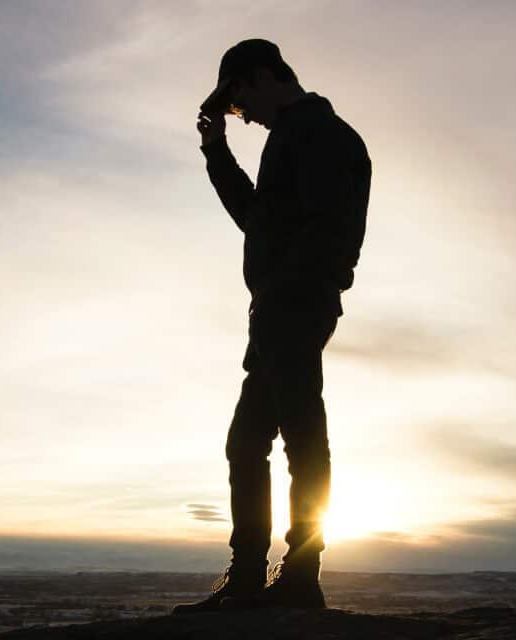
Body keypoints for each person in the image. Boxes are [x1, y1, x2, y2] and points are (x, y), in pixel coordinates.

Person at [172, 38, 371, 614]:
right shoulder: (292, 137)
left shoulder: (323, 135)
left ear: (262, 77)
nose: (243, 116)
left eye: (238, 103)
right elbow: (259, 222)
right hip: (280, 310)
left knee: (299, 435)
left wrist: (288, 292)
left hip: (296, 306)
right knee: (249, 442)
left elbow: (326, 232)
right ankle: (253, 577)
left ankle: (299, 575)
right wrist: (217, 151)